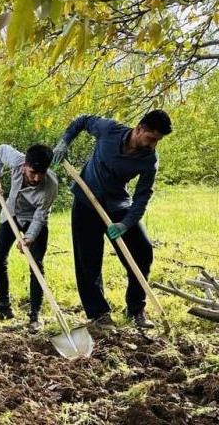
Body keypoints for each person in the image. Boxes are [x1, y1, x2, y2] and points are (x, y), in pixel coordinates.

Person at [52, 110, 172, 329]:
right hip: (86, 203)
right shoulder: (109, 130)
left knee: (142, 251)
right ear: (139, 129)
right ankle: (99, 314)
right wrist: (64, 141)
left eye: (158, 141)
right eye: (151, 138)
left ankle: (136, 309)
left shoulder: (149, 160)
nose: (153, 144)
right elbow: (83, 120)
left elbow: (142, 196)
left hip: (118, 206)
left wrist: (126, 223)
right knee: (88, 259)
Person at [0, 144, 58, 332]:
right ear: (25, 165)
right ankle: (4, 306)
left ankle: (35, 315)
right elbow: (1, 150)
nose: (37, 178)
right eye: (33, 172)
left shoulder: (51, 186)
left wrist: (29, 238)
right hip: (11, 213)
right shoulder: (17, 161)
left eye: (41, 173)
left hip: (34, 220)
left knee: (36, 264)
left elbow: (40, 216)